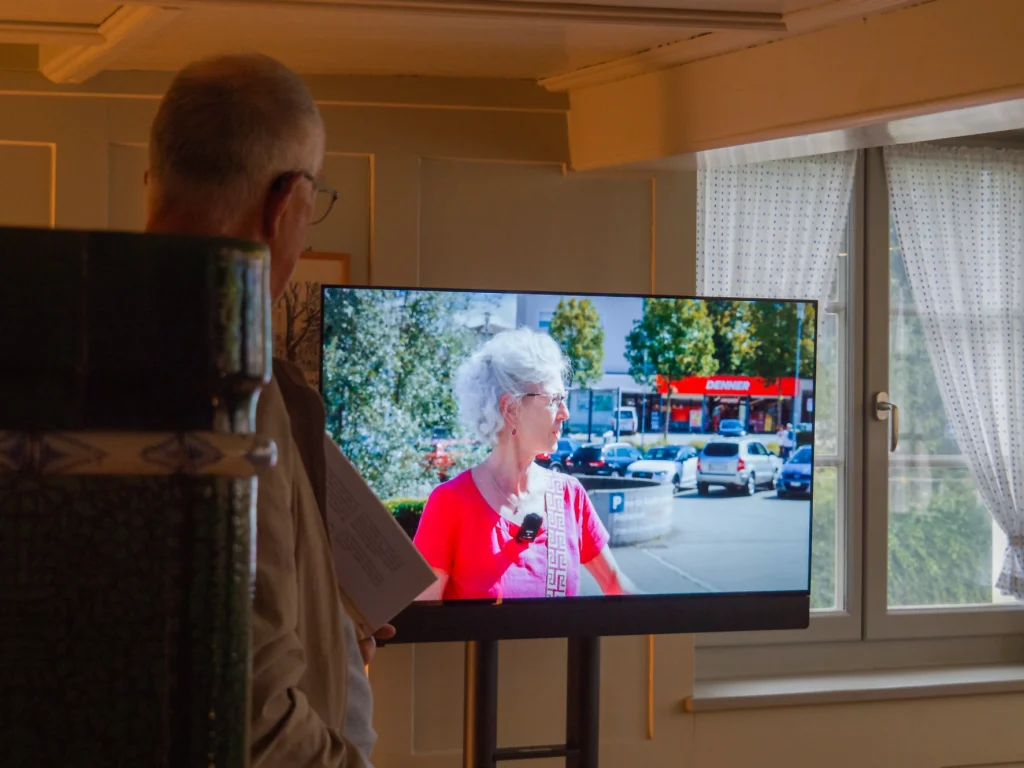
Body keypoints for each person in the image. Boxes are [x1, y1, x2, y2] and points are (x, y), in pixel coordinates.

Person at [144, 52, 390, 767]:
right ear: (285, 203)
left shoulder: (75, 335)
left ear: (151, 182)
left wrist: (324, 623)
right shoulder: (230, 380)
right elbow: (249, 713)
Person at [413, 328, 637, 600]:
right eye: (554, 400)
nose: (565, 414)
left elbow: (616, 586)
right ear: (511, 408)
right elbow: (423, 617)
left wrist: (675, 615)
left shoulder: (570, 496)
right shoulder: (450, 503)